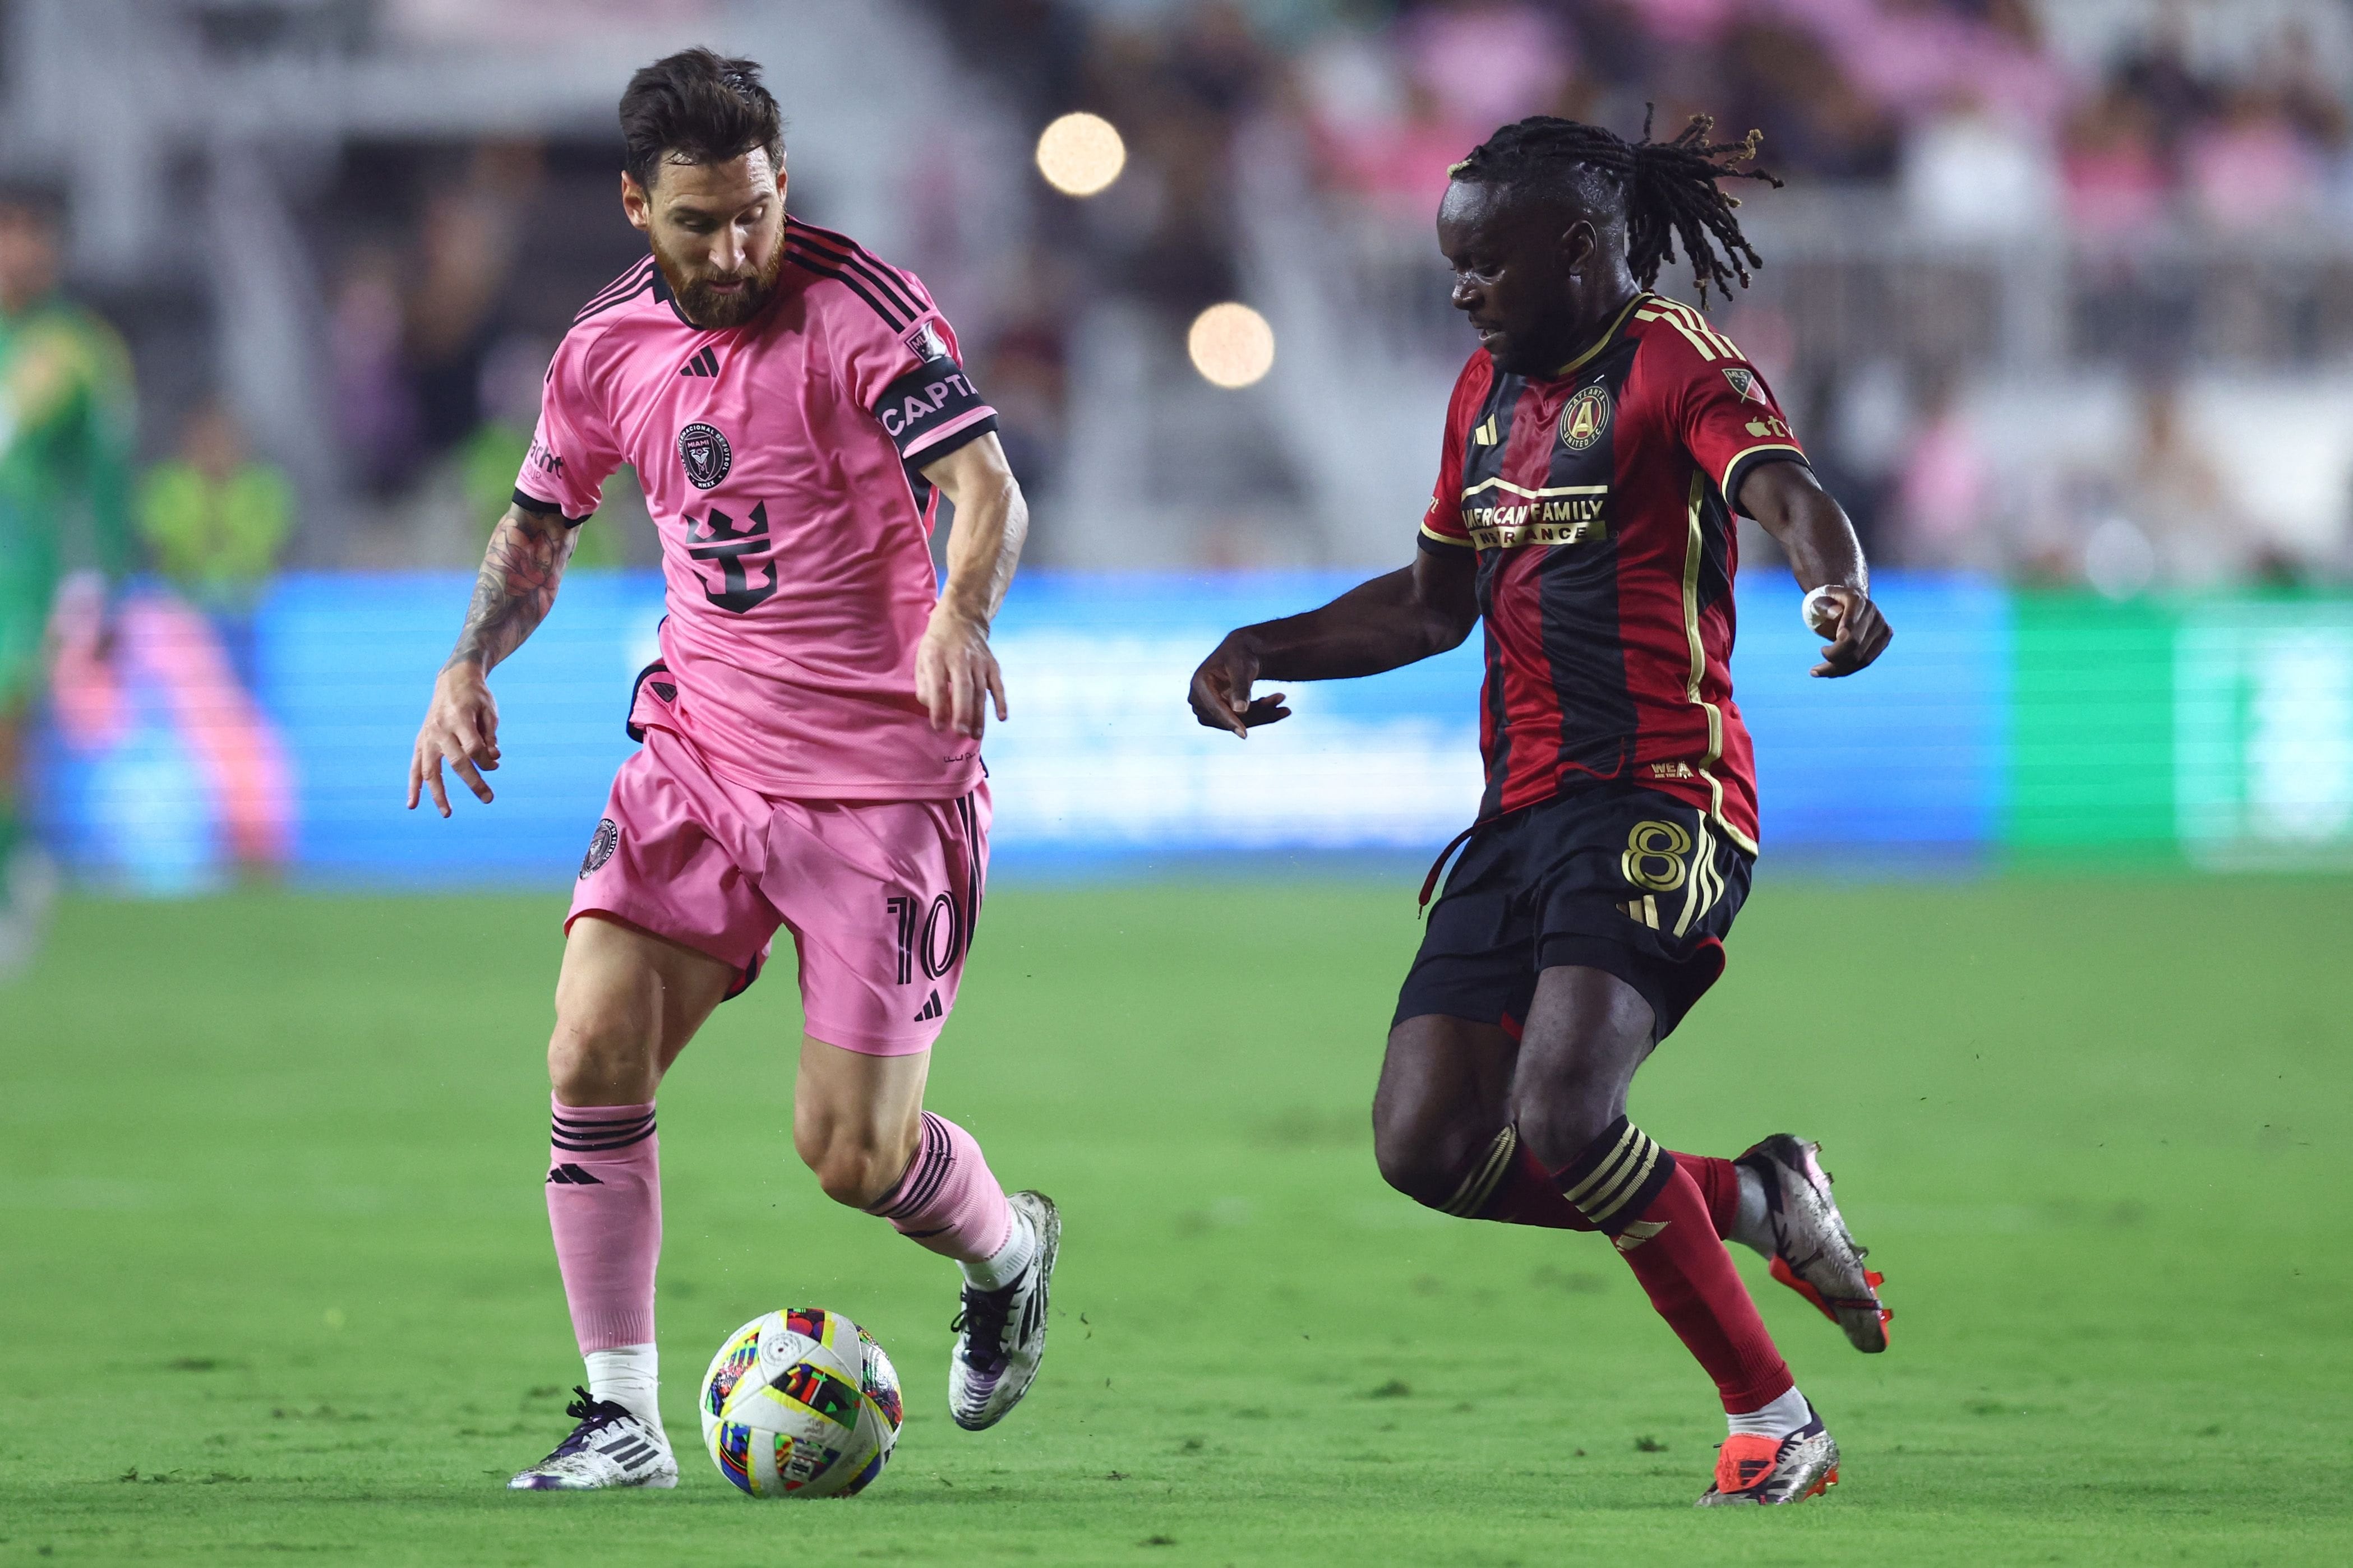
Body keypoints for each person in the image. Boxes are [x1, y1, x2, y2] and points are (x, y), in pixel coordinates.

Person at [1187, 114, 1895, 1507]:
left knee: (1566, 1109)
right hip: (1513, 818)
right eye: (1455, 266)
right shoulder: (1482, 395)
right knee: (1430, 1146)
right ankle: (1757, 1200)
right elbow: (1431, 603)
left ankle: (1776, 1423)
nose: (1462, 291)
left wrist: (1833, 582)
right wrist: (1263, 642)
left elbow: (1783, 490)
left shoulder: (1674, 362)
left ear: (1575, 248)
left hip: (1663, 800)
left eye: (1484, 265)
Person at [404, 50, 1056, 1491]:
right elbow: (539, 523)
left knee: (853, 1155)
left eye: (756, 212)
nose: (735, 248)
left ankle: (1006, 1249)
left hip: (882, 787)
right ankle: (622, 1417)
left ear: (782, 188)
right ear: (639, 205)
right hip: (696, 755)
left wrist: (959, 611)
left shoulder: (863, 309)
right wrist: (467, 664)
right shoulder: (600, 347)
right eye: (699, 222)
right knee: (588, 1046)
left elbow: (984, 486)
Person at [0, 182, 135, 974]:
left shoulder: (79, 350)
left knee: (9, 726)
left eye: (31, 233)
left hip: (24, 567)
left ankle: (15, 879)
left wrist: (102, 579)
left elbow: (107, 476)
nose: (20, 248)